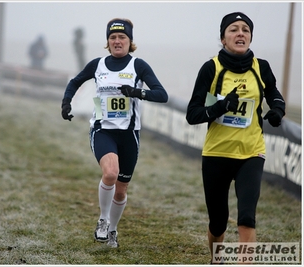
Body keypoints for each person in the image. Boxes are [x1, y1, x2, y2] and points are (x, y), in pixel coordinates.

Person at [185, 12, 285, 263]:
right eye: (233, 29)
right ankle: (215, 259)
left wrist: (277, 111)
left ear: (250, 37)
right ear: (223, 38)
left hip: (251, 153)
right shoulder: (211, 68)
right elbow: (193, 114)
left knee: (247, 217)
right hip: (216, 153)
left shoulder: (261, 67)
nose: (240, 33)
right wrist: (221, 107)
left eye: (245, 30)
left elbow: (274, 94)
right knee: (218, 223)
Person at [61, 18, 168, 248]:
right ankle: (102, 220)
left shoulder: (138, 66)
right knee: (110, 173)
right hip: (102, 129)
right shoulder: (97, 65)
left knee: (121, 190)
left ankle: (112, 230)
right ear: (107, 42)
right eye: (113, 37)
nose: (117, 41)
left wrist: (137, 93)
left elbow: (162, 94)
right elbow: (75, 81)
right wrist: (66, 102)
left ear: (130, 42)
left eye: (122, 37)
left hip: (129, 134)